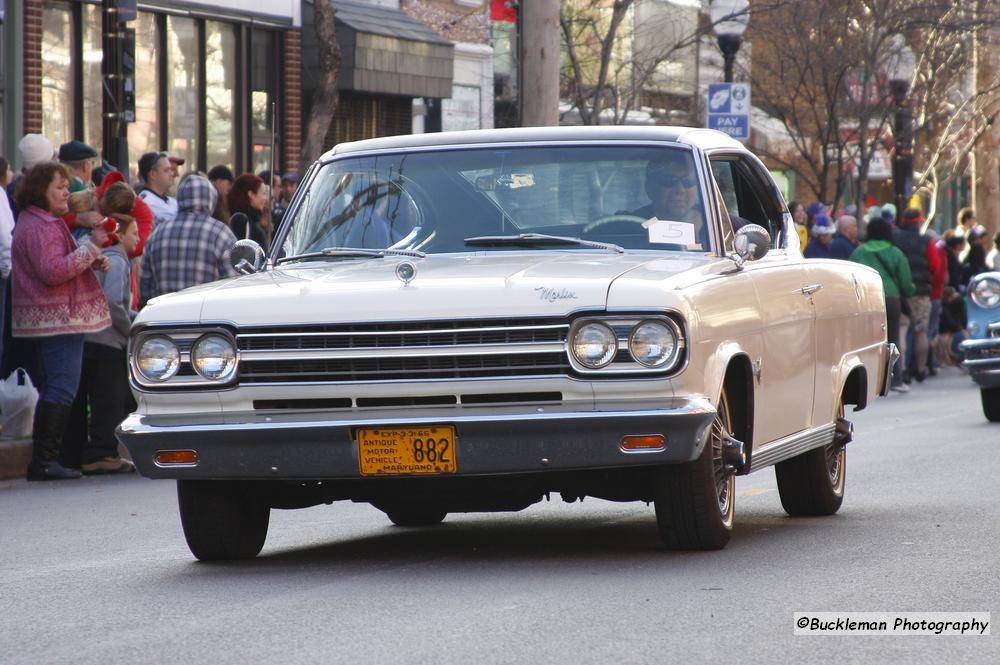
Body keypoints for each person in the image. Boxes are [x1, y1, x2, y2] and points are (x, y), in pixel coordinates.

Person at [10, 162, 110, 480]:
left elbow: (58, 264)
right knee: (61, 388)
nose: (67, 191)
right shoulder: (41, 226)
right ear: (41, 190)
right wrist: (93, 245)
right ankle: (44, 462)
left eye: (67, 185)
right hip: (57, 319)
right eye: (59, 186)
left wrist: (89, 258)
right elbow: (52, 271)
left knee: (57, 387)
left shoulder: (38, 221)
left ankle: (47, 459)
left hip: (52, 318)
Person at [63, 213, 138, 474]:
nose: (138, 238)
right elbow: (114, 301)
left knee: (84, 397)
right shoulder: (118, 261)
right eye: (134, 233)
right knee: (110, 400)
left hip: (87, 336)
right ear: (120, 235)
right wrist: (130, 331)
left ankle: (74, 454)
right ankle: (102, 452)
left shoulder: (105, 258)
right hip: (107, 339)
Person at [139, 174, 238, 307]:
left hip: (163, 321)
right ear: (211, 200)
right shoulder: (221, 233)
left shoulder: (158, 233)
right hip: (206, 322)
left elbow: (145, 286)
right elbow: (233, 285)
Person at [849, 218, 914, 392]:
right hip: (891, 298)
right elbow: (907, 284)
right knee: (892, 338)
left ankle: (867, 380)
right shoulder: (895, 253)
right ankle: (895, 379)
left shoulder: (858, 252)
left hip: (865, 299)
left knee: (865, 340)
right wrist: (909, 292)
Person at [894, 207, 939, 383]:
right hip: (921, 292)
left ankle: (903, 369)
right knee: (921, 331)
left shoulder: (895, 238)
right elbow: (934, 265)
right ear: (919, 221)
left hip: (901, 293)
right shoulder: (926, 240)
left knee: (902, 331)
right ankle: (920, 369)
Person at [228, 173, 272, 251]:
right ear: (251, 194)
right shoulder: (241, 220)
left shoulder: (255, 220)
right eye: (263, 194)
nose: (266, 199)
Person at [137, 151, 178, 227]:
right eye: (166, 170)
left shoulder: (172, 201)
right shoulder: (146, 203)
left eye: (171, 170)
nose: (172, 174)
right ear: (153, 174)